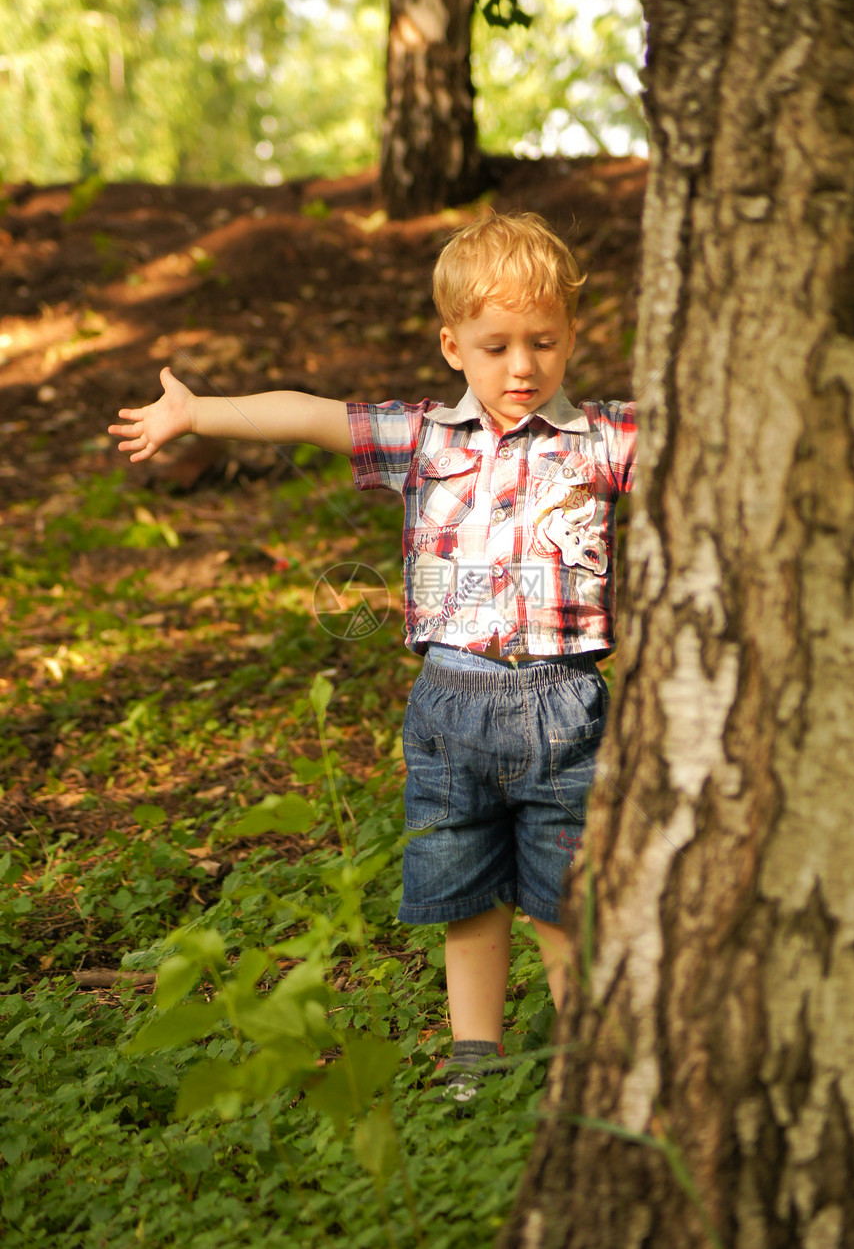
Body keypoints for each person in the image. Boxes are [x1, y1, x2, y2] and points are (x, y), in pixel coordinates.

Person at [109, 211, 636, 1102]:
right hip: (449, 705)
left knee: (566, 900)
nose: (521, 366)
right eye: (496, 343)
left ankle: (588, 1067)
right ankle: (476, 1059)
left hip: (567, 709)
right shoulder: (425, 437)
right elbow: (313, 416)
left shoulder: (604, 440)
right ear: (451, 346)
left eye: (543, 342)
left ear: (573, 338)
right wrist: (198, 412)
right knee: (465, 897)